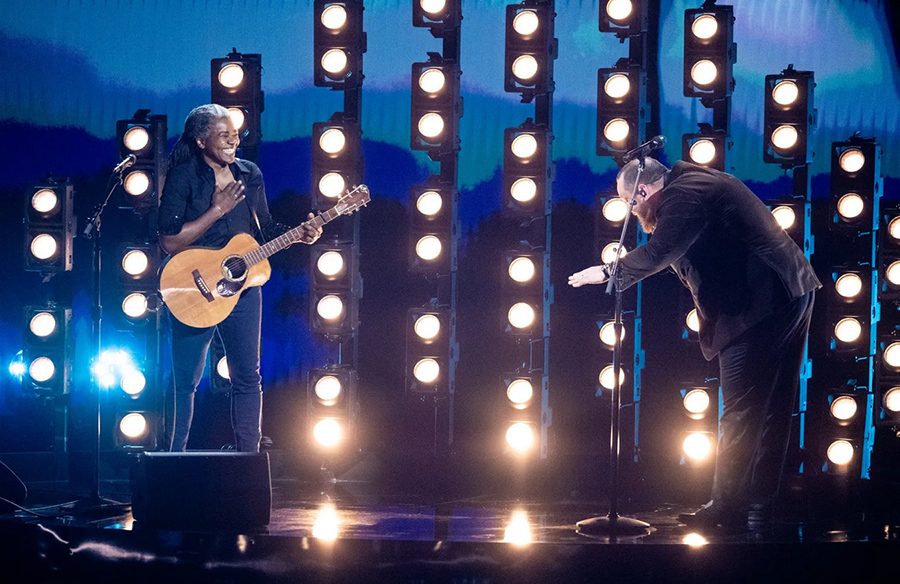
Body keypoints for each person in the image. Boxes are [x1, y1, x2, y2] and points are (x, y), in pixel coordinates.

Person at [569, 158, 821, 528]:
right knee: (770, 406)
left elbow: (659, 253)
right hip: (788, 292)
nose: (632, 212)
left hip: (761, 303)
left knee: (742, 408)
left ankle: (727, 508)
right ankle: (761, 504)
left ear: (642, 192)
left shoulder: (685, 194)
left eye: (630, 203)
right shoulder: (694, 187)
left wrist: (607, 272)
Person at [158, 104, 322, 452]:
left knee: (248, 377)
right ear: (201, 141)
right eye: (223, 134)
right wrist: (217, 210)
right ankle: (171, 460)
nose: (233, 139)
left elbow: (265, 227)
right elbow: (169, 239)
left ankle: (249, 460)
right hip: (192, 286)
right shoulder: (184, 175)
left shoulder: (249, 174)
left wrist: (300, 233)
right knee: (185, 380)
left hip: (241, 289)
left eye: (234, 132)